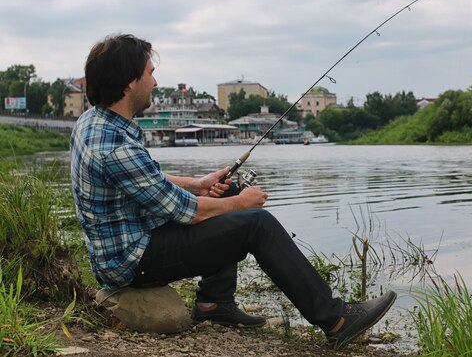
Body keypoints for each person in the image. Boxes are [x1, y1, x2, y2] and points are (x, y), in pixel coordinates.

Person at [70, 33, 396, 347]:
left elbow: (145, 178)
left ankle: (214, 303)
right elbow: (191, 212)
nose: (154, 82)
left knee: (223, 193)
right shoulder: (114, 145)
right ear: (130, 82)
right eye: (150, 74)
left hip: (130, 241)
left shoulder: (96, 122)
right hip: (131, 262)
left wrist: (198, 184)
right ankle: (336, 321)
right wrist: (243, 204)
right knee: (257, 223)